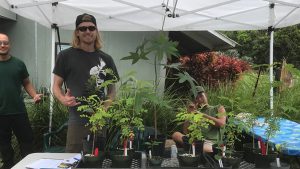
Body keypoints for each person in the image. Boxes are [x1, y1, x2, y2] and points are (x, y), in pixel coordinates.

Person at [52, 13, 119, 153]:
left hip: (100, 121)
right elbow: (56, 86)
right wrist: (63, 99)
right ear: (77, 32)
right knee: (73, 160)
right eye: (82, 28)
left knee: (97, 160)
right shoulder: (65, 56)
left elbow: (112, 91)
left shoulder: (107, 59)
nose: (87, 31)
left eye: (91, 28)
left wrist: (104, 108)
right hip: (77, 121)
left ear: (96, 31)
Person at [0, 33, 42, 169]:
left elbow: (27, 83)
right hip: (0, 114)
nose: (2, 45)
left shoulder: (19, 64)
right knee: (4, 146)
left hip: (18, 111)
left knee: (27, 143)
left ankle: (28, 167)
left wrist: (34, 95)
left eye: (5, 42)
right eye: (0, 43)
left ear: (9, 45)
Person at [172, 86, 226, 153]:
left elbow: (222, 124)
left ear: (206, 95)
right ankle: (194, 149)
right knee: (176, 135)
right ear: (194, 101)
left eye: (201, 96)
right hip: (195, 141)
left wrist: (202, 115)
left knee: (209, 149)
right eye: (196, 98)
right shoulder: (194, 112)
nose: (200, 99)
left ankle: (192, 149)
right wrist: (189, 115)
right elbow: (186, 132)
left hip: (210, 143)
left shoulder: (218, 108)